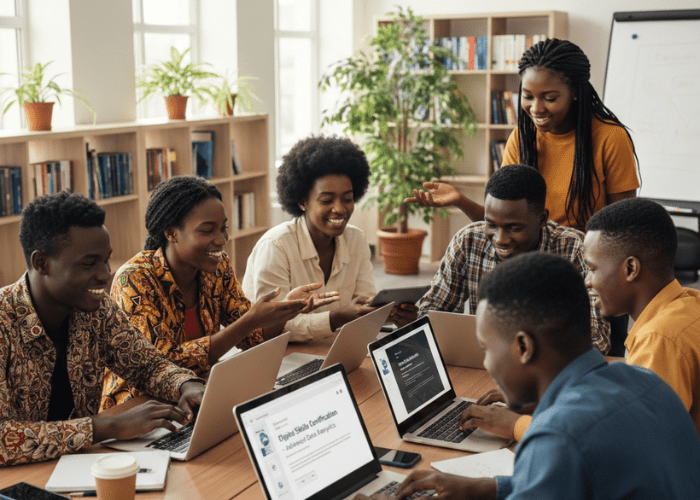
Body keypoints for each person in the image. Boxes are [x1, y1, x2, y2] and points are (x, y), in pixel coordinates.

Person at [356, 252, 700, 500]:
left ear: (523, 347)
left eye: (486, 349)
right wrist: (488, 488)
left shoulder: (557, 436)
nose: (488, 364)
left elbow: (567, 462)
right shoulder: (645, 381)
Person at [0, 192, 205, 466]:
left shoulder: (97, 309)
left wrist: (186, 385)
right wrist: (106, 427)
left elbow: (148, 365)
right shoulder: (3, 322)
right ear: (41, 263)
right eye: (89, 263)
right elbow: (2, 437)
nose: (106, 273)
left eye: (106, 260)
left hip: (77, 466)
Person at [102, 176, 338, 409]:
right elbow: (162, 365)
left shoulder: (217, 267)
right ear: (172, 233)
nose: (221, 239)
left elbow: (252, 336)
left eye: (223, 228)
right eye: (207, 231)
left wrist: (283, 311)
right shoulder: (134, 279)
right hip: (140, 408)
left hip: (200, 394)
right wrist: (249, 321)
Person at [406, 38, 639, 231]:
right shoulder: (521, 138)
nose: (536, 108)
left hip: (584, 265)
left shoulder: (610, 138)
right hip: (526, 260)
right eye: (527, 96)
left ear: (575, 92)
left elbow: (623, 228)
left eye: (549, 98)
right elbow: (502, 226)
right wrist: (459, 199)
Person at [417, 164, 610, 353]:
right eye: (491, 224)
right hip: (482, 364)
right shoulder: (467, 240)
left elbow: (597, 339)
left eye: (514, 228)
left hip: (549, 371)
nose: (500, 239)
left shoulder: (573, 248)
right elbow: (435, 310)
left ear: (542, 219)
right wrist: (414, 319)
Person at [242, 135, 416, 343]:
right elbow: (269, 327)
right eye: (326, 200)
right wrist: (335, 319)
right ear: (302, 201)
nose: (340, 209)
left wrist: (389, 313)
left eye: (348, 199)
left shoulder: (356, 239)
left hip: (333, 348)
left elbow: (363, 303)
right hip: (280, 356)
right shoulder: (276, 247)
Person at [584, 198, 700, 435]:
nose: (587, 280)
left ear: (630, 269)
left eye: (593, 269)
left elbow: (636, 445)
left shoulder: (659, 338)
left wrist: (520, 425)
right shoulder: (690, 302)